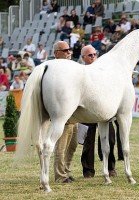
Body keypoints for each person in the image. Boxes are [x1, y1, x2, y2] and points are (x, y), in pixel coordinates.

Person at [80, 45, 117, 178]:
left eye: (95, 54)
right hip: (87, 110)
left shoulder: (103, 70)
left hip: (104, 110)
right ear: (83, 57)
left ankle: (110, 167)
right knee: (88, 142)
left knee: (110, 139)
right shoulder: (81, 71)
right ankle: (88, 170)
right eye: (90, 55)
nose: (93, 57)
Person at [53, 41, 78, 183]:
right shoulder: (53, 69)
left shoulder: (72, 67)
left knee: (72, 146)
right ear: (56, 53)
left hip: (74, 115)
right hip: (63, 116)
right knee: (61, 147)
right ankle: (59, 176)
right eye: (65, 50)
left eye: (70, 50)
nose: (69, 52)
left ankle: (66, 171)